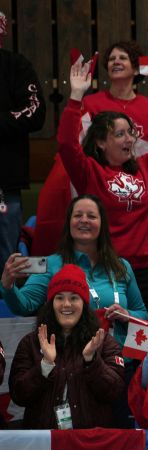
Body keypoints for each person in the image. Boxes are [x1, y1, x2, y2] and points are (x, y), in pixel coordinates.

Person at [58, 58, 148, 324]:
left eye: (130, 133)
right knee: (108, 341)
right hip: (104, 270)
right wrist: (75, 97)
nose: (130, 139)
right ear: (100, 142)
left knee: (146, 339)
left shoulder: (145, 167)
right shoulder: (89, 172)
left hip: (141, 271)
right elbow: (66, 143)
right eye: (120, 135)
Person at [2, 194, 148, 349]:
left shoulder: (122, 266)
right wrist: (8, 285)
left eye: (91, 216)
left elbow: (142, 314)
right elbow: (25, 306)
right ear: (69, 223)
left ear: (102, 225)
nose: (84, 220)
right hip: (71, 361)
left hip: (120, 360)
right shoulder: (50, 264)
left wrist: (126, 315)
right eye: (78, 215)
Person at [10, 265, 125, 429]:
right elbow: (18, 395)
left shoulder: (103, 342)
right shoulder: (31, 343)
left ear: (84, 304)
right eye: (59, 298)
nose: (66, 304)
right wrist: (45, 366)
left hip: (90, 444)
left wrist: (92, 362)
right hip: (45, 445)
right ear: (50, 304)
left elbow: (115, 393)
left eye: (74, 298)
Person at [0, 11, 46, 265]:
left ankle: (7, 303)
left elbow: (35, 111)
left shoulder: (16, 65)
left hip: (3, 184)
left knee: (6, 252)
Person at [82, 41, 148, 143]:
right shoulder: (90, 103)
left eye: (123, 58)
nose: (116, 62)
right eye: (111, 59)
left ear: (136, 69)